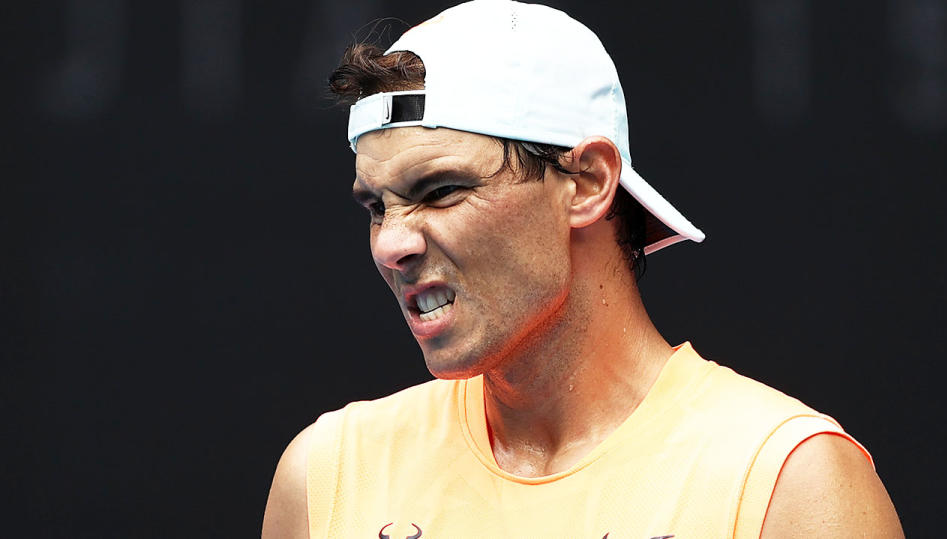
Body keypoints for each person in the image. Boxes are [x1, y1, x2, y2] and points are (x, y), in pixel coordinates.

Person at [263, 1, 903, 536]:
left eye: (440, 191)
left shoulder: (791, 486)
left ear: (588, 182)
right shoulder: (327, 479)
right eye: (377, 207)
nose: (389, 244)